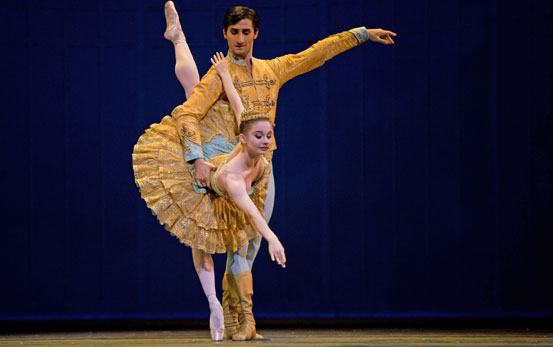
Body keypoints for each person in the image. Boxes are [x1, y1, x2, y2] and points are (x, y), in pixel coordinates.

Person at [160, 1, 396, 341]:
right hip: (227, 168)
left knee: (248, 248)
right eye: (234, 32)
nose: (240, 39)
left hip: (262, 171)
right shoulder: (219, 74)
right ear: (225, 34)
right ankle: (242, 321)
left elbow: (315, 54)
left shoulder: (272, 70)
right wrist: (196, 158)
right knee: (233, 245)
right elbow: (187, 113)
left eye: (245, 32)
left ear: (255, 33)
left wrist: (360, 35)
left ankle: (236, 318)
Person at [133, 47, 286, 341]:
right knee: (193, 92)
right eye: (260, 137)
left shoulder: (250, 143)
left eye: (269, 135)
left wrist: (227, 76)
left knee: (240, 252)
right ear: (244, 140)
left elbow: (241, 107)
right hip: (205, 186)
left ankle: (237, 317)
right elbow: (253, 214)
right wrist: (273, 238)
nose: (267, 141)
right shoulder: (234, 181)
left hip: (225, 158)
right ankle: (215, 304)